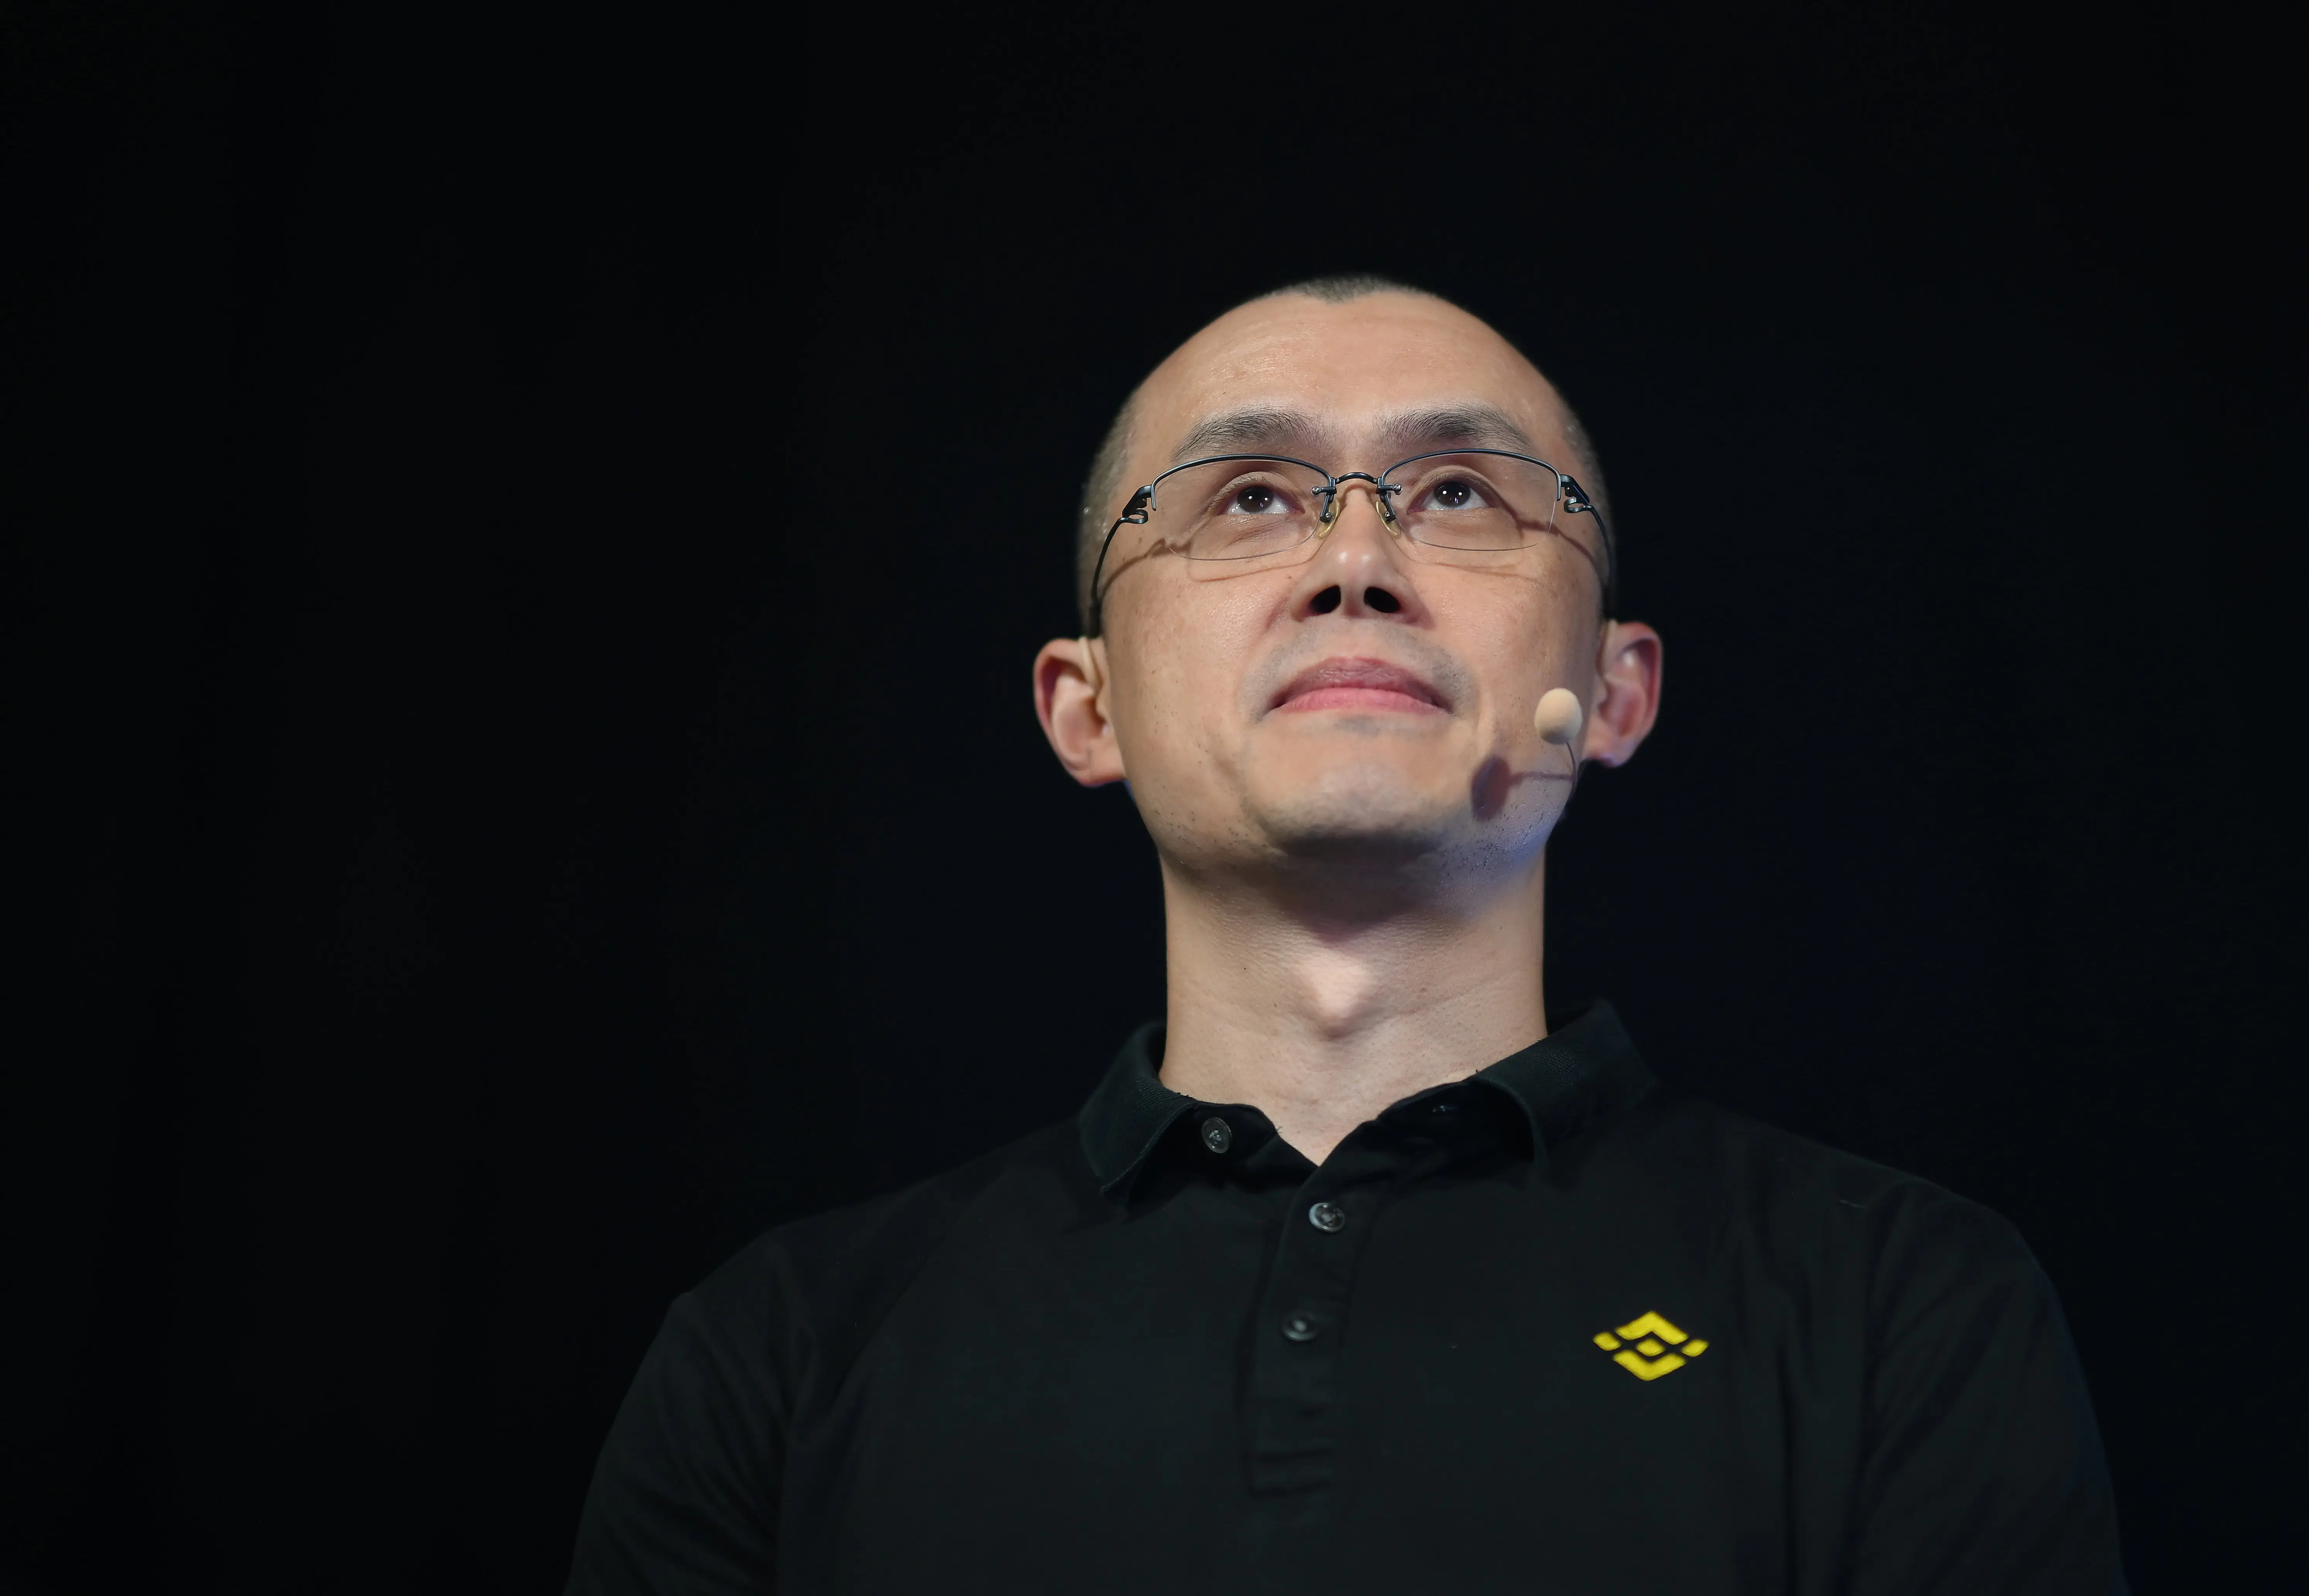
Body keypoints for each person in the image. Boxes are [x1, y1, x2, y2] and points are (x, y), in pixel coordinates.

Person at [564, 277, 2126, 1594]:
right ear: (1085, 704)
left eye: (1459, 493)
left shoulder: (1901, 1305)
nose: (1353, 560)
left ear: (1618, 690)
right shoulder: (779, 1360)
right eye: (1249, 498)